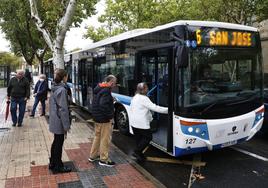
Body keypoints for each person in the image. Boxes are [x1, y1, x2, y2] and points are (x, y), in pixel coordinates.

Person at [130, 82, 168, 162]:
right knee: (148, 137)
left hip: (134, 123)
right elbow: (155, 108)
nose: (148, 89)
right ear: (143, 90)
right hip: (141, 124)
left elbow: (145, 111)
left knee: (139, 139)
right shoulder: (144, 98)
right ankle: (137, 152)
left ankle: (139, 155)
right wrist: (168, 110)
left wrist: (151, 118)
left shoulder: (135, 96)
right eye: (146, 88)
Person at [88, 75, 117, 167]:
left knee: (97, 137)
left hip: (97, 117)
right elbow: (103, 104)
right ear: (111, 82)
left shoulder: (99, 88)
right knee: (105, 138)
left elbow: (100, 102)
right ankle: (103, 159)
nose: (115, 85)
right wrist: (110, 116)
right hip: (104, 119)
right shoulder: (106, 90)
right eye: (114, 83)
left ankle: (93, 156)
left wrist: (110, 101)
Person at [49, 69, 71, 173]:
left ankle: (53, 163)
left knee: (55, 142)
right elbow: (63, 109)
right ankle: (58, 166)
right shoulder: (62, 90)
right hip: (59, 121)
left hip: (54, 119)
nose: (68, 78)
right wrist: (66, 125)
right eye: (67, 76)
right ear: (64, 77)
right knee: (59, 143)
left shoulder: (54, 87)